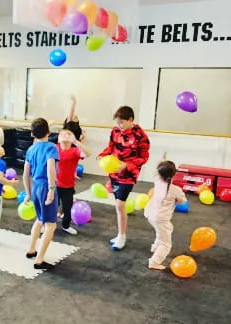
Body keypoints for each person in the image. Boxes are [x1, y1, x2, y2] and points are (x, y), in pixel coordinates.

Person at [98, 106, 150, 251]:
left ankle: (122, 236)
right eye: (117, 122)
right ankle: (120, 234)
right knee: (118, 204)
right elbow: (110, 148)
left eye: (121, 122)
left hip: (128, 175)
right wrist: (102, 155)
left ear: (131, 120)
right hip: (114, 172)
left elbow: (143, 158)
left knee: (120, 205)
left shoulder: (141, 136)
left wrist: (126, 165)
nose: (119, 126)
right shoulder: (115, 131)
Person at [24, 118, 59, 270]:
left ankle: (32, 249)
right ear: (49, 133)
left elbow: (25, 174)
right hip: (46, 187)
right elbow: (51, 169)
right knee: (50, 225)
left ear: (32, 134)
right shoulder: (51, 147)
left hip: (36, 186)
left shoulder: (31, 149)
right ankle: (39, 259)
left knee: (39, 220)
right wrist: (51, 191)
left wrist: (27, 193)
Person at [144, 159, 186, 270]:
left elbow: (156, 172)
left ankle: (155, 247)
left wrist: (161, 162)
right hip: (160, 219)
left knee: (166, 229)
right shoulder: (175, 190)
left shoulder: (157, 181)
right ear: (174, 174)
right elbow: (182, 201)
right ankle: (154, 262)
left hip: (150, 215)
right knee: (166, 244)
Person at [56, 129, 91, 235]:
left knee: (67, 209)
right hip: (54, 185)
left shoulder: (74, 151)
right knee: (51, 207)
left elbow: (87, 153)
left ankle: (66, 226)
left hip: (68, 186)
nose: (65, 136)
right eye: (62, 134)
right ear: (58, 138)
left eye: (68, 134)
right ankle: (47, 225)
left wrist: (76, 141)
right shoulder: (54, 148)